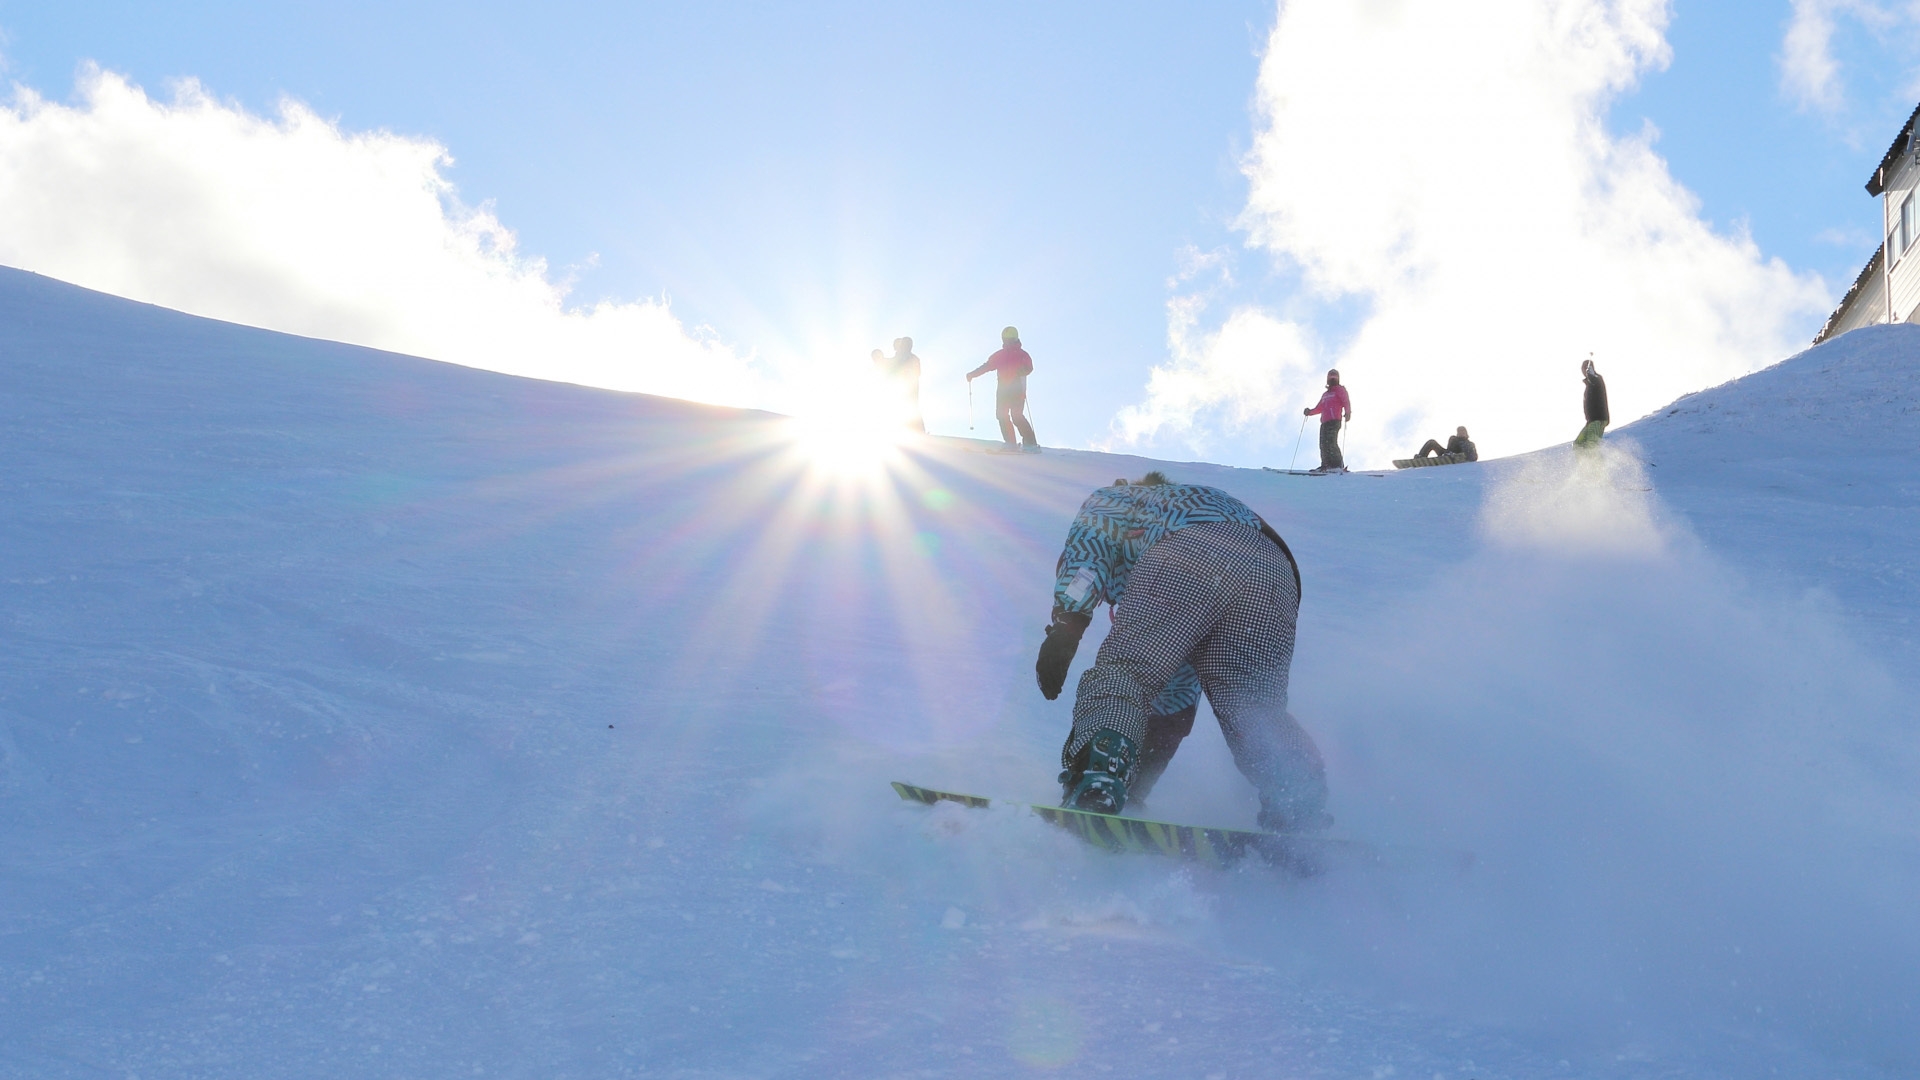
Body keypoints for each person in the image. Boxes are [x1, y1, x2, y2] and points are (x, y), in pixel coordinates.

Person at [1033, 471, 1329, 832]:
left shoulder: (1121, 498)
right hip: (1273, 571)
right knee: (1251, 705)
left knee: (1128, 670)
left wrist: (1069, 624)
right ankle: (1297, 801)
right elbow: (1172, 700)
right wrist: (1137, 793)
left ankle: (1099, 777)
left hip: (1188, 550)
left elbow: (1087, 552)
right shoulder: (1206, 497)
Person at [965, 326, 1039, 453]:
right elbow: (987, 366)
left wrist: (1023, 371)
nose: (1008, 342)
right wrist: (972, 374)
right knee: (1002, 414)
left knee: (1016, 415)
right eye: (1006, 340)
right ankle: (1011, 443)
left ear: (1015, 339)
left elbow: (1029, 367)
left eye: (1010, 340)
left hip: (1016, 388)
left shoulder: (1021, 354)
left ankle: (1030, 443)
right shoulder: (1002, 355)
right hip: (1004, 389)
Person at [1302, 369, 1352, 473]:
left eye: (1334, 378)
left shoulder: (1340, 390)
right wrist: (1309, 412)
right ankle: (1326, 465)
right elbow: (1319, 408)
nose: (1332, 379)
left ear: (1338, 379)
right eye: (1330, 378)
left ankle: (1337, 465)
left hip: (1334, 420)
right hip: (1324, 422)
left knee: (1331, 442)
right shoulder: (1325, 395)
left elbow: (1346, 401)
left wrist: (1348, 412)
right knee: (1323, 444)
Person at [872, 337, 924, 432]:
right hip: (899, 389)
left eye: (907, 344)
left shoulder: (912, 358)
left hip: (909, 388)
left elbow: (917, 372)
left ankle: (918, 431)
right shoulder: (897, 358)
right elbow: (885, 365)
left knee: (911, 408)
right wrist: (878, 357)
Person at [1575, 356, 1608, 448]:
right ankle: (1584, 462)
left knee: (1591, 445)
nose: (1584, 371)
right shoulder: (1589, 384)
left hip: (1598, 419)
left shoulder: (1597, 379)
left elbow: (1595, 379)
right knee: (1578, 445)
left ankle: (1597, 462)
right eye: (1582, 368)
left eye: (1586, 368)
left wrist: (1590, 373)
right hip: (1590, 421)